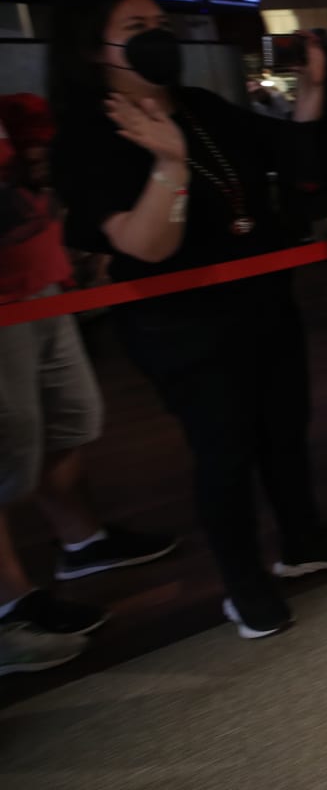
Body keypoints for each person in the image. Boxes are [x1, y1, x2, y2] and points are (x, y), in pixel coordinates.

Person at [48, 0, 327, 640]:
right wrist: (168, 163)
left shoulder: (201, 108)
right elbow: (146, 245)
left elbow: (287, 149)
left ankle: (303, 537)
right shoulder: (89, 136)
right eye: (136, 27)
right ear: (93, 50)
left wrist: (310, 91)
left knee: (284, 427)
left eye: (161, 24)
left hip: (262, 298)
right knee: (224, 450)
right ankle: (243, 580)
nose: (156, 36)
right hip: (182, 323)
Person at [0, 94, 179, 674]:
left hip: (37, 277)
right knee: (9, 442)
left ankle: (83, 543)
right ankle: (11, 605)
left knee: (64, 419)